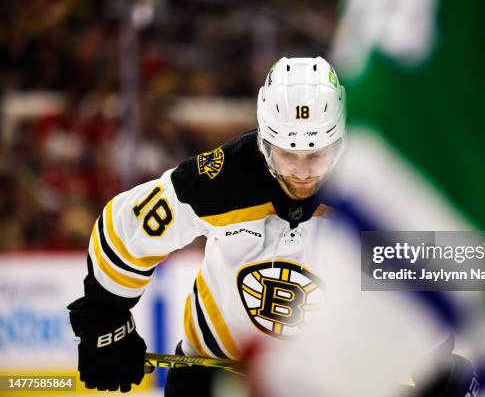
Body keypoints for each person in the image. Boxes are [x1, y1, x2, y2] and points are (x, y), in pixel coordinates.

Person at [66, 56, 346, 394]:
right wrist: (104, 320)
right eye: (288, 154)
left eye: (316, 156)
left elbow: (418, 276)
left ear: (340, 145)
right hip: (210, 380)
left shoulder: (370, 191)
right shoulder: (221, 178)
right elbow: (124, 228)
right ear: (265, 143)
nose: (302, 173)